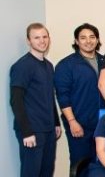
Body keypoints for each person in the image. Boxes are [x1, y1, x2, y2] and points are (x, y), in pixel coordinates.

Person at [54, 23, 105, 174]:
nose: (88, 41)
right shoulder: (66, 65)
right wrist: (72, 121)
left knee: (102, 164)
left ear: (97, 40)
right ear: (76, 41)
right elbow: (62, 96)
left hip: (103, 123)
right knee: (81, 164)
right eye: (83, 38)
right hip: (79, 124)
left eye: (92, 37)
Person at [10, 23, 60, 177]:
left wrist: (56, 123)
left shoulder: (48, 66)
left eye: (44, 37)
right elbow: (16, 100)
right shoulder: (22, 66)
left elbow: (49, 97)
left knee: (46, 172)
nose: (42, 41)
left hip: (48, 129)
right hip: (32, 131)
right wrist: (27, 132)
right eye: (36, 37)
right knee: (31, 173)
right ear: (28, 41)